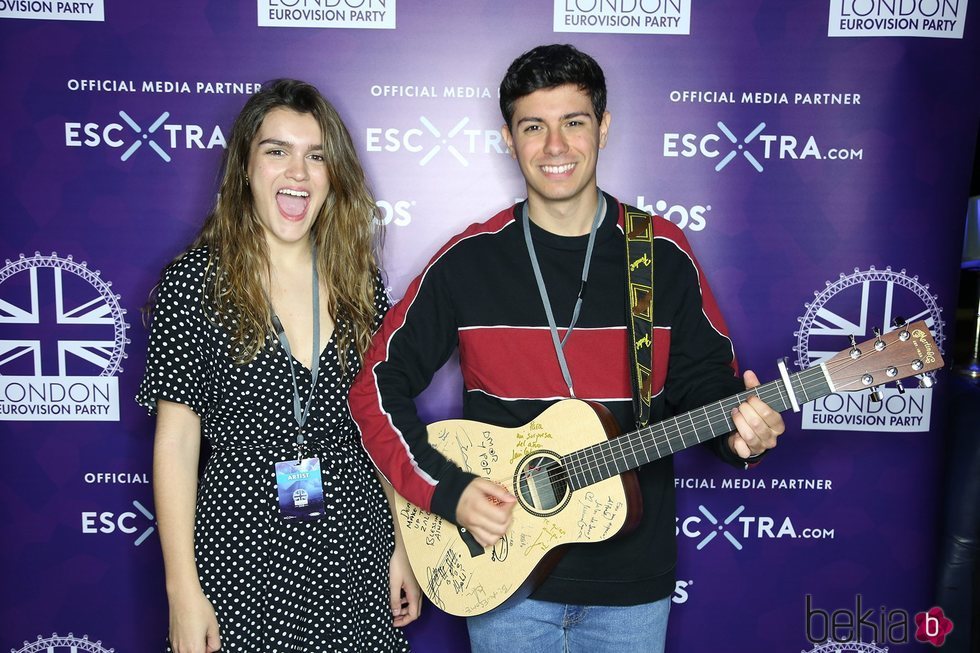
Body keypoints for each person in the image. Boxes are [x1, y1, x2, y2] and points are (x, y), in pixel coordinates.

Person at [349, 45, 784, 653]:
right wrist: (448, 492)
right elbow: (374, 386)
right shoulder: (468, 260)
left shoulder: (660, 253)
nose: (555, 146)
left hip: (632, 584)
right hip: (504, 579)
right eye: (534, 126)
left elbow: (703, 385)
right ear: (509, 138)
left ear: (603, 128)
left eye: (573, 122)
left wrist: (739, 434)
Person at [138, 79, 420, 653]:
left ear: (333, 175)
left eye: (316, 156)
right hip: (242, 564)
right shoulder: (195, 283)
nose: (298, 171)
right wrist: (182, 591)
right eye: (277, 151)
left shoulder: (359, 286)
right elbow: (175, 443)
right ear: (245, 166)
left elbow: (380, 423)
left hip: (354, 557)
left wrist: (402, 546)